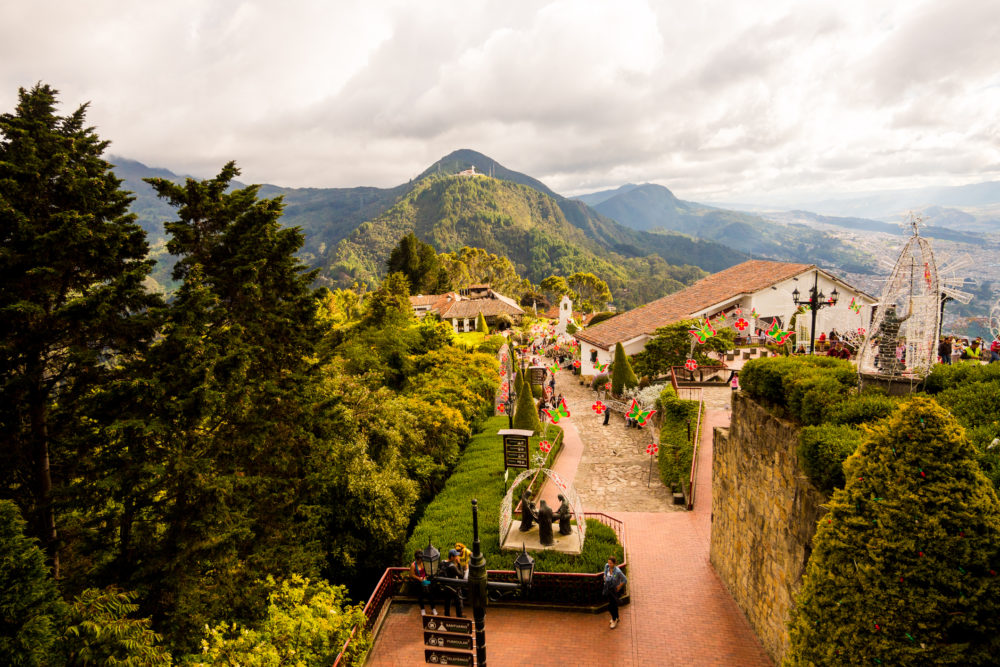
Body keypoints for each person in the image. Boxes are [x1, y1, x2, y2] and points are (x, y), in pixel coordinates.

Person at [603, 556, 627, 629]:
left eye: (611, 563)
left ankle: (614, 620)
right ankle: (617, 617)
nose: (609, 564)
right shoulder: (606, 566)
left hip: (614, 591)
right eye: (608, 562)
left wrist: (619, 586)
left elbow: (625, 580)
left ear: (614, 563)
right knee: (614, 605)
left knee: (610, 606)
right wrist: (604, 576)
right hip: (607, 589)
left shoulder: (618, 571)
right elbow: (605, 573)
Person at [440, 549, 466, 617]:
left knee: (447, 603)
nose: (457, 557)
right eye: (455, 556)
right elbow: (461, 575)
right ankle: (459, 616)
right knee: (458, 602)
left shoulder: (442, 562)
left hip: (445, 587)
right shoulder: (452, 566)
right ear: (451, 557)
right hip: (453, 587)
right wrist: (459, 564)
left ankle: (447, 616)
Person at [410, 550, 437, 615]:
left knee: (430, 594)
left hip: (425, 579)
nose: (421, 560)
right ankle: (422, 609)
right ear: (417, 559)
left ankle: (433, 608)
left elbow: (427, 571)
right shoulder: (413, 565)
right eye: (420, 559)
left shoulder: (424, 563)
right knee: (420, 595)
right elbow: (412, 575)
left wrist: (425, 577)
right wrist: (419, 578)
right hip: (418, 581)